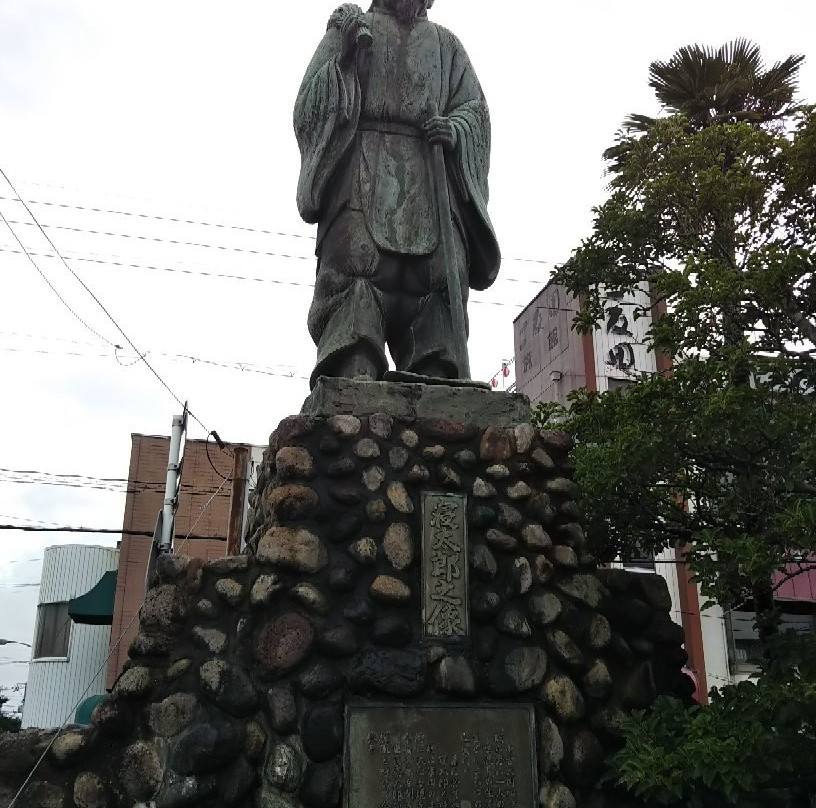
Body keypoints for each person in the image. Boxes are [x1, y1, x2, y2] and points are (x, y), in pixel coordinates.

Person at [294, 0, 500, 388]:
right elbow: (309, 104)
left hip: (430, 174)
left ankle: (437, 375)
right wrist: (345, 60)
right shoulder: (352, 29)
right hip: (360, 173)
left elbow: (475, 111)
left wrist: (455, 129)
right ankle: (352, 371)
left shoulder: (446, 44)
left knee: (437, 287)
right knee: (355, 277)